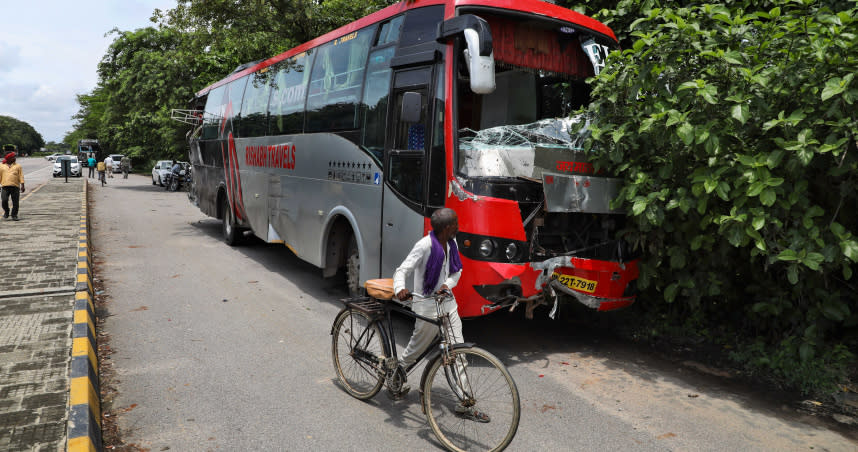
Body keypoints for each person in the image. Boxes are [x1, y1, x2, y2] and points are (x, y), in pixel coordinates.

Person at [391, 208, 489, 422]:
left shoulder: (451, 243)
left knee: (459, 354)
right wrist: (400, 288)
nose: (459, 226)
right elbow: (402, 270)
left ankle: (465, 402)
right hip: (426, 308)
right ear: (447, 228)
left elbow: (456, 271)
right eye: (455, 223)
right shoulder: (424, 246)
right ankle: (396, 374)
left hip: (447, 305)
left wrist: (447, 284)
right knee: (414, 352)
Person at [0, 147, 25, 220]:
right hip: (5, 186)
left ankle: (14, 215)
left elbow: (21, 176)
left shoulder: (18, 166)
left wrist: (22, 185)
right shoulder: (1, 166)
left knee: (15, 202)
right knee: (4, 200)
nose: (15, 158)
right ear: (9, 158)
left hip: (15, 187)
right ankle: (6, 212)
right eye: (13, 157)